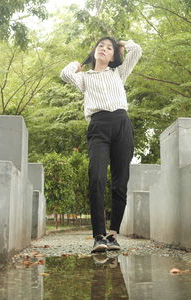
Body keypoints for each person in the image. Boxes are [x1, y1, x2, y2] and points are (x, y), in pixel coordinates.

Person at [60, 36, 142, 253]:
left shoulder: (118, 72)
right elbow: (65, 74)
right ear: (94, 52)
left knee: (120, 181)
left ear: (114, 55)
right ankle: (98, 236)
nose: (104, 49)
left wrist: (123, 43)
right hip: (98, 126)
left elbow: (137, 51)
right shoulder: (85, 77)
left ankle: (113, 235)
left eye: (108, 48)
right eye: (100, 46)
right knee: (96, 177)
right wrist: (77, 64)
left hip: (122, 125)